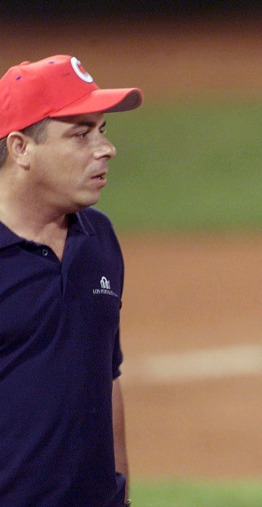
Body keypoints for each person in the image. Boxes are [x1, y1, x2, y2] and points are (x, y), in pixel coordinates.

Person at [0, 55, 143, 506]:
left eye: (102, 131)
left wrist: (119, 492)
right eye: (81, 134)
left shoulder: (97, 237)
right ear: (21, 147)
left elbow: (107, 373)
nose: (105, 149)